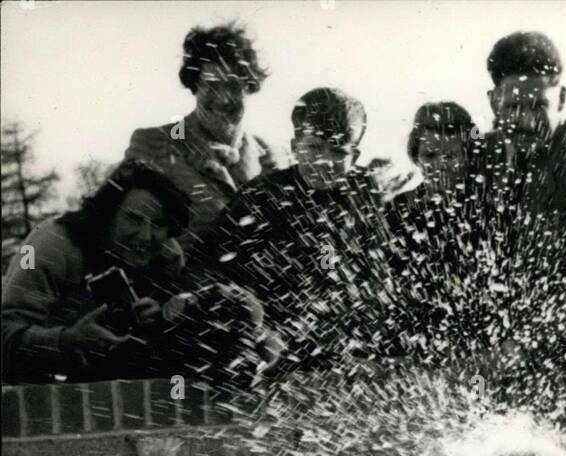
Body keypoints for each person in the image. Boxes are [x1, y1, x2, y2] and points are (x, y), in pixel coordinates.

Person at [197, 87, 399, 374]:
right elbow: (211, 267)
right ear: (295, 146)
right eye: (315, 147)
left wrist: (362, 336)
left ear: (355, 154)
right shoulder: (262, 196)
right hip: (265, 346)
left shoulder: (362, 200)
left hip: (337, 345)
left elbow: (378, 281)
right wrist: (255, 327)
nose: (325, 162)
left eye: (339, 151)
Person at [1, 160, 190, 383]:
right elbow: (5, 336)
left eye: (159, 224)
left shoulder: (168, 256)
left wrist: (159, 322)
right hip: (38, 388)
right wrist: (67, 342)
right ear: (108, 215)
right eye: (134, 219)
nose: (146, 236)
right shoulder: (52, 245)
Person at [479, 31, 566, 308]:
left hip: (564, 335)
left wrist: (523, 342)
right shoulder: (477, 154)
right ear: (494, 101)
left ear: (561, 99)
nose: (527, 121)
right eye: (513, 107)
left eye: (539, 106)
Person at [124, 22, 280, 253]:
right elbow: (118, 230)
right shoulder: (155, 144)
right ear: (194, 85)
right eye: (212, 86)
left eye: (234, 86)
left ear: (250, 88)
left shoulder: (271, 157)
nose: (224, 98)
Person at [388, 103, 483, 359]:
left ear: (468, 154)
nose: (441, 165)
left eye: (451, 156)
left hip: (475, 339)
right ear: (416, 157)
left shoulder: (486, 209)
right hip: (414, 339)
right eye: (430, 156)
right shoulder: (397, 210)